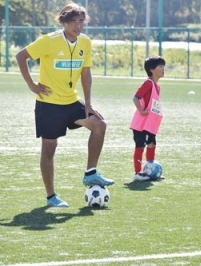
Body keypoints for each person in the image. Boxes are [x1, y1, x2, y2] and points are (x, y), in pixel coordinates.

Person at [15, 3, 114, 208]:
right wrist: (32, 85)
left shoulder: (85, 43)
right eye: (73, 22)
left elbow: (86, 74)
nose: (78, 26)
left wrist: (88, 104)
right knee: (49, 149)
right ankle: (51, 197)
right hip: (49, 104)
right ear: (63, 22)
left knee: (99, 125)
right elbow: (21, 56)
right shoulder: (49, 41)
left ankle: (90, 173)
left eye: (81, 22)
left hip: (71, 102)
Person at [130, 56, 166, 181]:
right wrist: (141, 110)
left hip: (150, 124)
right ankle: (138, 173)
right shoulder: (148, 83)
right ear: (151, 69)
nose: (163, 69)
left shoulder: (157, 86)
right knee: (140, 146)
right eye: (160, 66)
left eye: (163, 66)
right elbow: (136, 98)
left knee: (152, 144)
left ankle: (150, 168)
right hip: (141, 123)